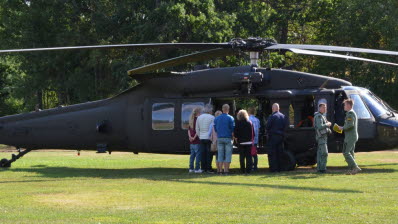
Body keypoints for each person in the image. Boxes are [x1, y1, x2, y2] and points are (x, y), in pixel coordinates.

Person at [338, 99, 361, 175]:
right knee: (350, 152)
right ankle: (352, 170)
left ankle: (355, 167)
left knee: (346, 152)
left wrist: (342, 128)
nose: (344, 106)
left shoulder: (350, 113)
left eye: (345, 105)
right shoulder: (350, 113)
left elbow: (350, 124)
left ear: (348, 105)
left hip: (351, 137)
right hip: (351, 136)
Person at [214, 104, 235, 175]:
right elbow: (232, 129)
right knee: (228, 155)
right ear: (228, 109)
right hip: (228, 138)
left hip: (220, 138)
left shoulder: (216, 118)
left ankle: (220, 171)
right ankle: (226, 171)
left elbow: (215, 129)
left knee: (220, 155)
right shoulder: (231, 118)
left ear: (222, 109)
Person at [265, 103, 287, 172]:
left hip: (273, 137)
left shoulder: (272, 117)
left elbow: (267, 126)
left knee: (273, 153)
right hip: (281, 137)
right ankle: (281, 168)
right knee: (280, 153)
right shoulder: (283, 116)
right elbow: (285, 127)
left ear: (273, 108)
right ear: (279, 108)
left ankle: (274, 169)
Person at [195, 104, 215, 173]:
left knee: (202, 153)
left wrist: (199, 136)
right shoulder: (212, 117)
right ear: (210, 110)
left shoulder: (199, 117)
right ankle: (209, 168)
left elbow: (197, 129)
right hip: (209, 138)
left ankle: (203, 168)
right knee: (209, 154)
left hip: (202, 137)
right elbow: (213, 129)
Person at [234, 110, 254, 174]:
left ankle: (242, 170)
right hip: (249, 142)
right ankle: (248, 170)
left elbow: (235, 134)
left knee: (242, 157)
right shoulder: (250, 122)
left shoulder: (238, 123)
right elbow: (253, 133)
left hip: (241, 142)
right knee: (249, 157)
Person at [314, 103, 332, 173]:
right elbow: (320, 126)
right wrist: (328, 124)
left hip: (323, 137)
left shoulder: (322, 116)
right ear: (320, 108)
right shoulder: (319, 116)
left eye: (325, 107)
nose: (325, 109)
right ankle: (322, 169)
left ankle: (320, 169)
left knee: (320, 153)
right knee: (324, 153)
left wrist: (328, 130)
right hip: (321, 137)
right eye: (324, 107)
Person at [188, 107, 202, 173]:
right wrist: (194, 137)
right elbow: (198, 130)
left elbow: (188, 130)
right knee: (198, 155)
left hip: (191, 141)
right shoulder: (198, 119)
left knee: (192, 156)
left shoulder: (191, 119)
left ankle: (191, 168)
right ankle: (197, 169)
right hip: (197, 140)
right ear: (198, 113)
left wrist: (190, 137)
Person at [248, 107, 260, 171]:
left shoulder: (248, 119)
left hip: (250, 139)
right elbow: (258, 129)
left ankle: (251, 166)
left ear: (248, 112)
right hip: (255, 139)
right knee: (254, 153)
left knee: (249, 154)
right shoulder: (257, 120)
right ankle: (255, 166)